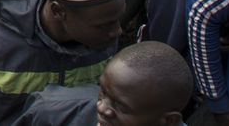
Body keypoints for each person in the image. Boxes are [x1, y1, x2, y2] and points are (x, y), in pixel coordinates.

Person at [11, 41, 196, 126]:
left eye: (121, 107)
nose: (101, 108)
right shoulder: (52, 113)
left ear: (169, 121)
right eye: (103, 92)